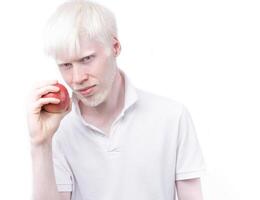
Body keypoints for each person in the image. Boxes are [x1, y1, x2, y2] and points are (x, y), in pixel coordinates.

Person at [27, 1, 206, 200]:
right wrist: (40, 143)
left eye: (87, 59)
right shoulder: (58, 129)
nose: (77, 78)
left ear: (115, 46)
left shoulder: (172, 117)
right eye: (66, 65)